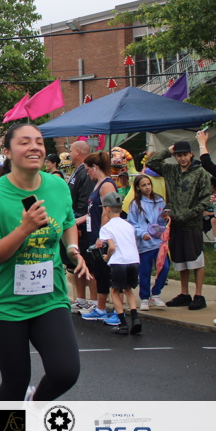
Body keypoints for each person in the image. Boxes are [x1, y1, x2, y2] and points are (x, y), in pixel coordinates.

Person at [0, 123, 89, 401]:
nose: (34, 147)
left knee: (65, 372)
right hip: (4, 302)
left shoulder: (57, 185)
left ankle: (33, 409)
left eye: (38, 141)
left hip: (49, 298)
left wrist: (73, 249)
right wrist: (24, 229)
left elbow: (68, 221)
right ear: (7, 152)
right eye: (24, 142)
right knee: (16, 380)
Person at [147, 139, 212, 310]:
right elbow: (151, 163)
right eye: (178, 155)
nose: (182, 158)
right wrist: (168, 151)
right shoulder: (170, 170)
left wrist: (189, 213)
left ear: (191, 154)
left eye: (185, 155)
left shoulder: (200, 173)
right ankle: (184, 293)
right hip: (175, 223)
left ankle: (199, 294)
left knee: (196, 259)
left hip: (192, 223)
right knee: (180, 259)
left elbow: (205, 200)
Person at [79, 151, 117, 322]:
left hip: (103, 237)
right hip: (93, 232)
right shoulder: (98, 185)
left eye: (88, 170)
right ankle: (100, 308)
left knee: (105, 272)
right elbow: (92, 212)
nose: (87, 174)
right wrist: (77, 221)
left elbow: (107, 212)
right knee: (98, 271)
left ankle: (108, 309)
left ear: (95, 167)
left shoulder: (107, 185)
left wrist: (102, 236)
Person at [98, 191, 143, 334]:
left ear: (107, 209)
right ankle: (135, 318)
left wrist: (107, 257)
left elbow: (111, 247)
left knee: (115, 291)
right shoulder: (128, 225)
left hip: (119, 261)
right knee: (128, 289)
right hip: (134, 260)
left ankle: (123, 324)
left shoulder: (106, 228)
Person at [127, 174, 170, 310]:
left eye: (149, 184)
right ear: (138, 188)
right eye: (144, 185)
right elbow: (132, 223)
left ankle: (156, 293)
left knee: (164, 267)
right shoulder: (135, 204)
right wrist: (142, 233)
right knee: (145, 271)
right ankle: (144, 297)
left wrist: (163, 218)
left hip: (159, 242)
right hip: (144, 244)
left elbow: (161, 221)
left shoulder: (160, 200)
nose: (147, 187)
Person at [66, 140, 95, 313]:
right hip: (74, 223)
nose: (69, 154)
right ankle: (81, 299)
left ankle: (94, 301)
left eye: (70, 151)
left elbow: (85, 201)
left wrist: (77, 223)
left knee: (89, 264)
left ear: (78, 152)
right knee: (76, 262)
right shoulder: (78, 171)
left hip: (82, 226)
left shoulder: (86, 172)